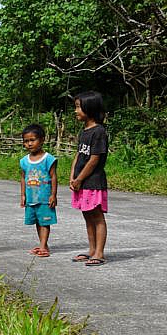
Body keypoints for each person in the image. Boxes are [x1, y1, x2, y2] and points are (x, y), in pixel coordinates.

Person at [69, 91, 109, 266]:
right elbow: (78, 155)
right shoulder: (84, 131)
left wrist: (80, 179)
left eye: (78, 107)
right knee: (87, 216)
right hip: (81, 182)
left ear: (90, 108)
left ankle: (99, 253)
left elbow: (94, 160)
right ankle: (91, 250)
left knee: (97, 216)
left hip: (93, 182)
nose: (75, 111)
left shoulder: (99, 131)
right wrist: (73, 177)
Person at [19, 124, 58, 258]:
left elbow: (53, 176)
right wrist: (23, 195)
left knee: (45, 221)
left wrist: (53, 195)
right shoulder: (24, 161)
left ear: (42, 140)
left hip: (44, 197)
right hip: (31, 198)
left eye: (32, 140)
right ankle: (43, 244)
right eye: (26, 141)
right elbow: (23, 178)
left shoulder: (48, 159)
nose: (29, 143)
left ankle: (43, 246)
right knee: (37, 221)